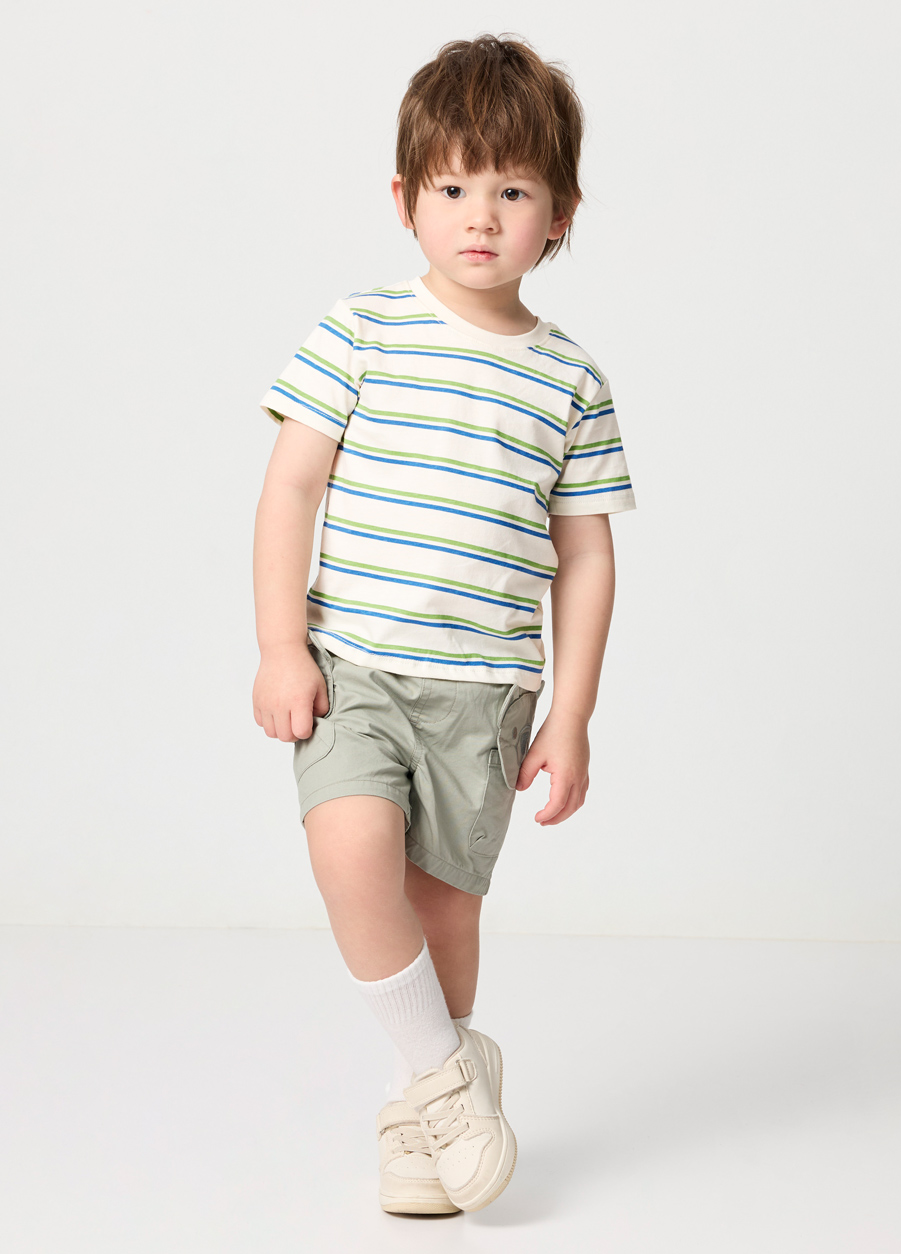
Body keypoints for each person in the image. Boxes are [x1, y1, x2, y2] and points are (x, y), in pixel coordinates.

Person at [252, 33, 636, 1216]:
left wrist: (569, 715)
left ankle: (419, 1114)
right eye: (454, 186)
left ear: (560, 214)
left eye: (512, 191)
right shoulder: (362, 329)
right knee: (348, 851)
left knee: (443, 912)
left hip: (483, 693)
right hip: (355, 669)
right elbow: (290, 489)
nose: (480, 217)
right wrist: (280, 645)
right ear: (404, 199)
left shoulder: (569, 380)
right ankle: (445, 1075)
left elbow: (586, 558)